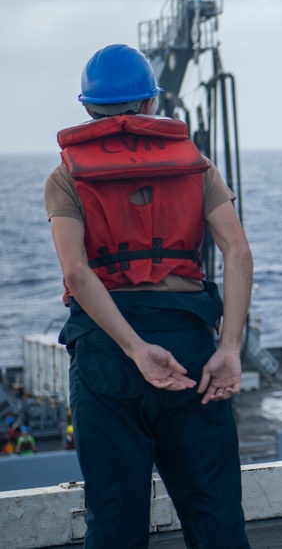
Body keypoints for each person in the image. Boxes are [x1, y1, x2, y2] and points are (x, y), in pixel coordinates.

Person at [45, 44, 254, 548]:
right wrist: (229, 348)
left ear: (89, 108)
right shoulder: (197, 166)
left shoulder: (65, 176)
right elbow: (239, 253)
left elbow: (76, 271)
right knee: (216, 513)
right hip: (190, 346)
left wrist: (136, 350)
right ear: (150, 104)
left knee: (115, 520)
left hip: (107, 353)